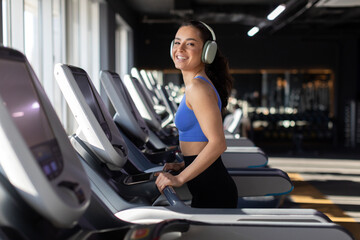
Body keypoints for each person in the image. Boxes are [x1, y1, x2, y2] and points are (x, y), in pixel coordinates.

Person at [155, 20, 238, 208]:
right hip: (206, 184)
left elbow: (218, 143)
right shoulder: (195, 85)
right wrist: (184, 164)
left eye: (190, 44)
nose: (180, 48)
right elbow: (200, 140)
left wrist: (179, 179)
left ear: (207, 51)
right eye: (177, 42)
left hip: (214, 190)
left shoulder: (198, 87)